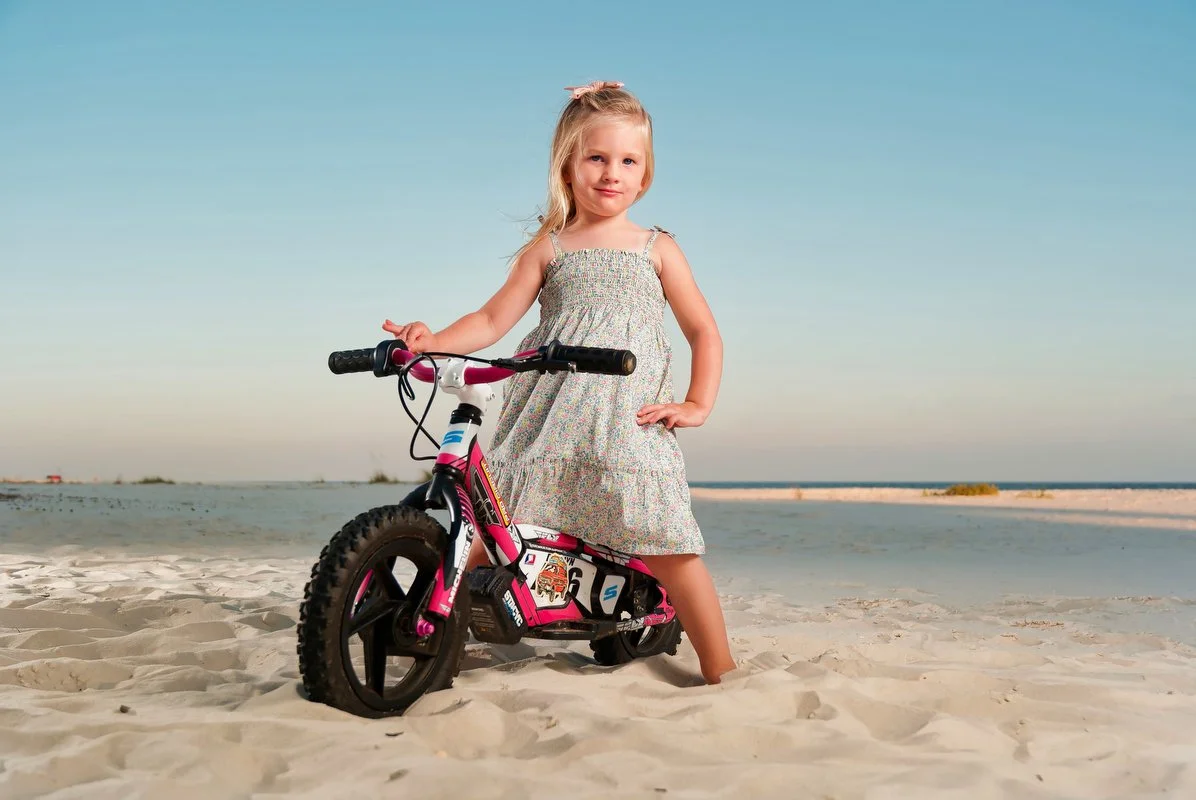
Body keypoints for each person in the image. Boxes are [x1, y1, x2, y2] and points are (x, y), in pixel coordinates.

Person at [383, 81, 735, 684]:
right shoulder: (549, 249)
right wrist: (431, 338)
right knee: (492, 533)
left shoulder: (657, 248)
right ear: (568, 165)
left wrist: (699, 402)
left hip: (626, 421)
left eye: (629, 161)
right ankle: (429, 636)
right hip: (547, 419)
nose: (612, 173)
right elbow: (491, 320)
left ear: (646, 174)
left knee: (666, 544)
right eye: (596, 157)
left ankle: (722, 671)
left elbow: (703, 330)